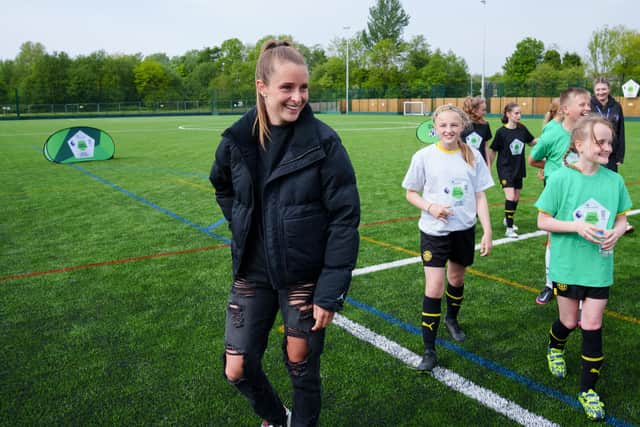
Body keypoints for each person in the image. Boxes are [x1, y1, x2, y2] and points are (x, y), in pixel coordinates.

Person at [210, 39, 360, 427]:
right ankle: (276, 418)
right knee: (237, 368)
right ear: (262, 87)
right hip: (252, 274)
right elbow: (222, 186)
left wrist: (330, 291)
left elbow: (345, 219)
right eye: (287, 88)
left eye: (304, 88)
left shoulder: (324, 143)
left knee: (301, 364)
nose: (298, 98)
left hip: (303, 277)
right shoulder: (235, 141)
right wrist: (241, 222)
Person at [535, 115, 632, 421]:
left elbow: (621, 217)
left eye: (609, 142)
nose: (607, 147)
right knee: (568, 322)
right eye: (600, 141)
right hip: (566, 267)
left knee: (591, 325)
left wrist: (618, 231)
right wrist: (576, 226)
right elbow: (543, 220)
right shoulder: (562, 178)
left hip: (599, 267)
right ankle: (555, 347)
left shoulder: (614, 180)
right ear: (579, 145)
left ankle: (588, 390)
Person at [402, 104, 494, 372]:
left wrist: (487, 230)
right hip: (434, 232)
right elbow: (410, 192)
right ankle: (429, 350)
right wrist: (431, 207)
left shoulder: (472, 155)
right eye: (443, 125)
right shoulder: (424, 156)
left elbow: (480, 195)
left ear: (462, 126)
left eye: (453, 125)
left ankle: (452, 319)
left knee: (457, 279)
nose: (448, 130)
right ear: (435, 127)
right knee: (434, 288)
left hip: (463, 230)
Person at [528, 88, 591, 305]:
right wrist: (553, 170)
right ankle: (550, 284)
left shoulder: (589, 132)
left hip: (584, 192)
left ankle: (581, 283)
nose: (587, 108)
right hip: (559, 194)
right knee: (554, 239)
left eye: (588, 104)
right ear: (566, 109)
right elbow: (533, 160)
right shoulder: (552, 133)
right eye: (582, 104)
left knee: (583, 237)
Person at [591, 77, 633, 234]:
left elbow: (621, 131)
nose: (601, 92)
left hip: (611, 154)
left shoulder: (616, 106)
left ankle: (619, 219)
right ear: (594, 91)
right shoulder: (589, 105)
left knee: (612, 186)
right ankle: (594, 217)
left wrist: (620, 155)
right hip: (593, 153)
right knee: (592, 184)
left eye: (604, 89)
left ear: (608, 89)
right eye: (598, 90)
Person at [488, 102, 536, 238]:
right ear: (508, 114)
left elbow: (531, 142)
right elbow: (493, 151)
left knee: (516, 197)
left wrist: (547, 138)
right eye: (516, 113)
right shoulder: (501, 132)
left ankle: (507, 218)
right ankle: (509, 229)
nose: (519, 115)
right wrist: (488, 168)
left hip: (518, 168)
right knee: (510, 196)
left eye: (520, 113)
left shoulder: (522, 129)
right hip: (505, 169)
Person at [461, 96, 492, 165]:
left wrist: (488, 167)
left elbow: (486, 148)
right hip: (464, 164)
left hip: (480, 164)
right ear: (474, 110)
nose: (485, 112)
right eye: (483, 110)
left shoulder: (485, 125)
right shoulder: (462, 125)